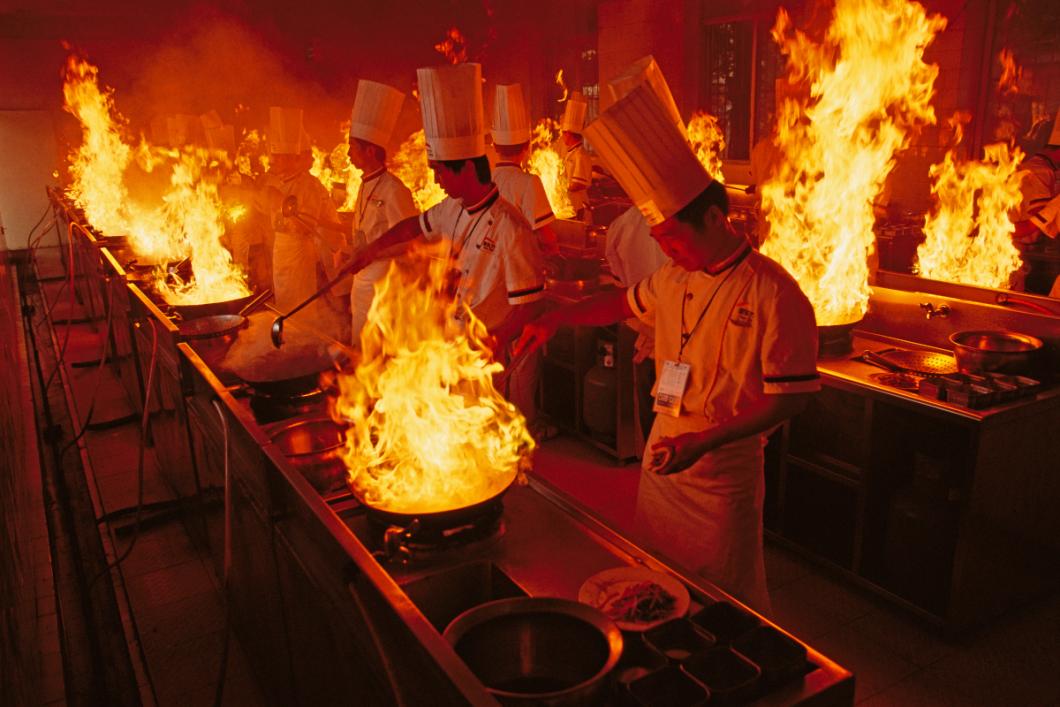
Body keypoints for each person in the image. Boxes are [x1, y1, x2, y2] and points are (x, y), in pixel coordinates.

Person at [514, 83, 820, 614]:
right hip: (663, 458)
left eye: (672, 237)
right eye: (657, 240)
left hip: (722, 476)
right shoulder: (675, 277)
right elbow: (620, 305)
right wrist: (558, 317)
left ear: (714, 219)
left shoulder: (774, 292)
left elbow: (790, 398)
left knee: (724, 601)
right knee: (655, 582)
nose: (665, 250)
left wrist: (706, 440)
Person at [346, 63, 546, 391]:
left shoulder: (512, 229)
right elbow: (412, 227)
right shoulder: (451, 208)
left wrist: (494, 339)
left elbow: (529, 305)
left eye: (440, 172)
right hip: (446, 345)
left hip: (484, 356)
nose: (436, 181)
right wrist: (370, 252)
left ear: (466, 167)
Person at [256, 108, 344, 329]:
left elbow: (306, 227)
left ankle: (303, 343)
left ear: (290, 158)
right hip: (281, 252)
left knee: (300, 309)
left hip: (298, 253)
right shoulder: (278, 182)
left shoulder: (309, 186)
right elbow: (265, 210)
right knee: (284, 304)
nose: (271, 161)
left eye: (276, 157)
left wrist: (279, 202)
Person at [346, 80, 418, 343]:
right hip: (362, 281)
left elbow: (411, 243)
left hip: (385, 284)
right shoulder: (363, 186)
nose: (347, 154)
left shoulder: (394, 190)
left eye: (352, 147)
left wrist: (373, 253)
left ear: (370, 150)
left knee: (379, 351)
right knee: (360, 347)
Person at [491, 83, 559, 255]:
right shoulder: (529, 182)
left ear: (494, 147)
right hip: (520, 264)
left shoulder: (486, 179)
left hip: (490, 263)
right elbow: (545, 236)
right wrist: (556, 253)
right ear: (527, 146)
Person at [560, 92, 592, 219]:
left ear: (569, 134)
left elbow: (579, 184)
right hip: (570, 205)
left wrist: (559, 188)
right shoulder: (570, 153)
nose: (562, 137)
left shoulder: (580, 155)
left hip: (579, 207)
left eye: (563, 133)